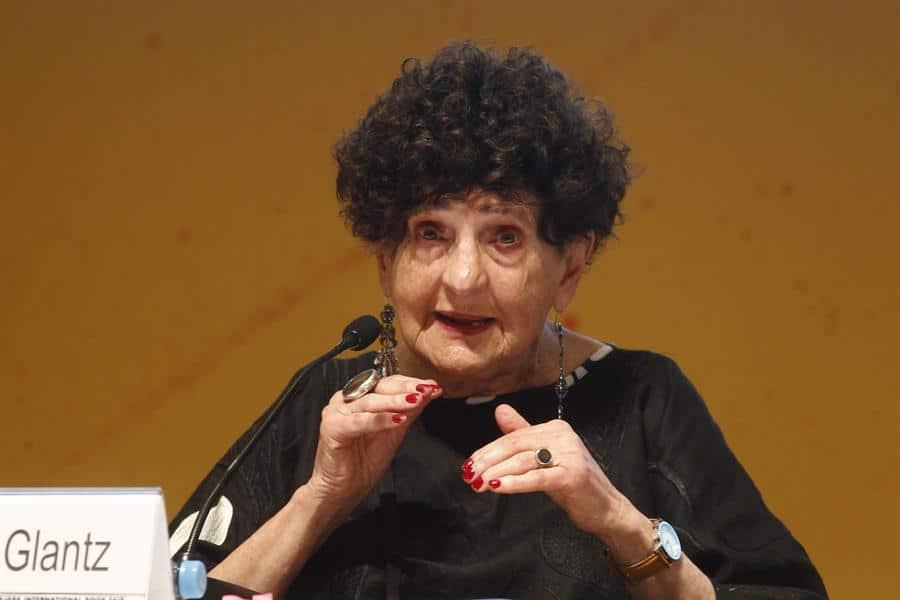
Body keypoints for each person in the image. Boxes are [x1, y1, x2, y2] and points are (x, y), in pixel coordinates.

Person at [169, 41, 828, 599]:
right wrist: (319, 500)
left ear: (570, 266)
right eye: (431, 233)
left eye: (504, 237)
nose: (463, 278)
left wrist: (621, 525)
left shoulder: (640, 399)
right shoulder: (328, 405)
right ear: (385, 260)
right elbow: (160, 586)